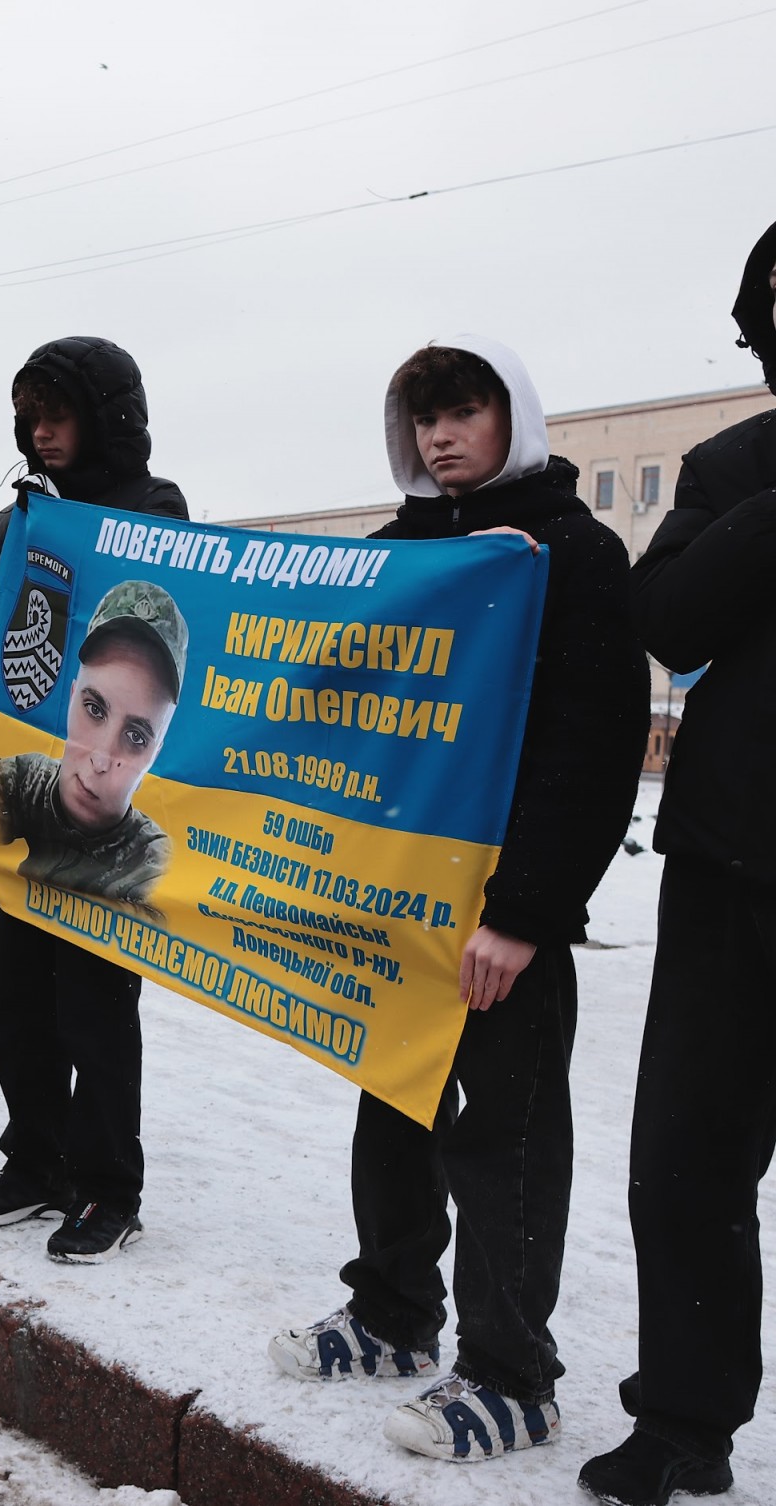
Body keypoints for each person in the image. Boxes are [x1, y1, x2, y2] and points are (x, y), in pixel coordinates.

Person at [267, 335, 647, 1465]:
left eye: (461, 411)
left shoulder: (570, 554)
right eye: (420, 417)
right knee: (389, 1111)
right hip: (392, 908)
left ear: (510, 417)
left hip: (495, 917)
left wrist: (525, 912)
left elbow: (590, 746)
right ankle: (390, 1314)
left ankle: (510, 1375)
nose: (438, 436)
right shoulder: (405, 552)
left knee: (499, 1146)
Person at [577, 220, 776, 1506]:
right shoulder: (726, 466)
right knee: (690, 1163)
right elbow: (664, 619)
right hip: (733, 872)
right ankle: (684, 1423)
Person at [0, 337, 190, 1262]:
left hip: (109, 815)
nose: (42, 434)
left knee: (94, 1008)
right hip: (27, 807)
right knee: (18, 1004)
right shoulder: (23, 521)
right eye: (30, 418)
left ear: (106, 416)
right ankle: (35, 1159)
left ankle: (106, 1187)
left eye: (59, 414)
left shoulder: (153, 510)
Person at [0, 580, 182, 908]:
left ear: (156, 752)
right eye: (94, 709)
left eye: (136, 737)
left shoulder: (157, 869)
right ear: (73, 696)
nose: (102, 760)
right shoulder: (18, 781)